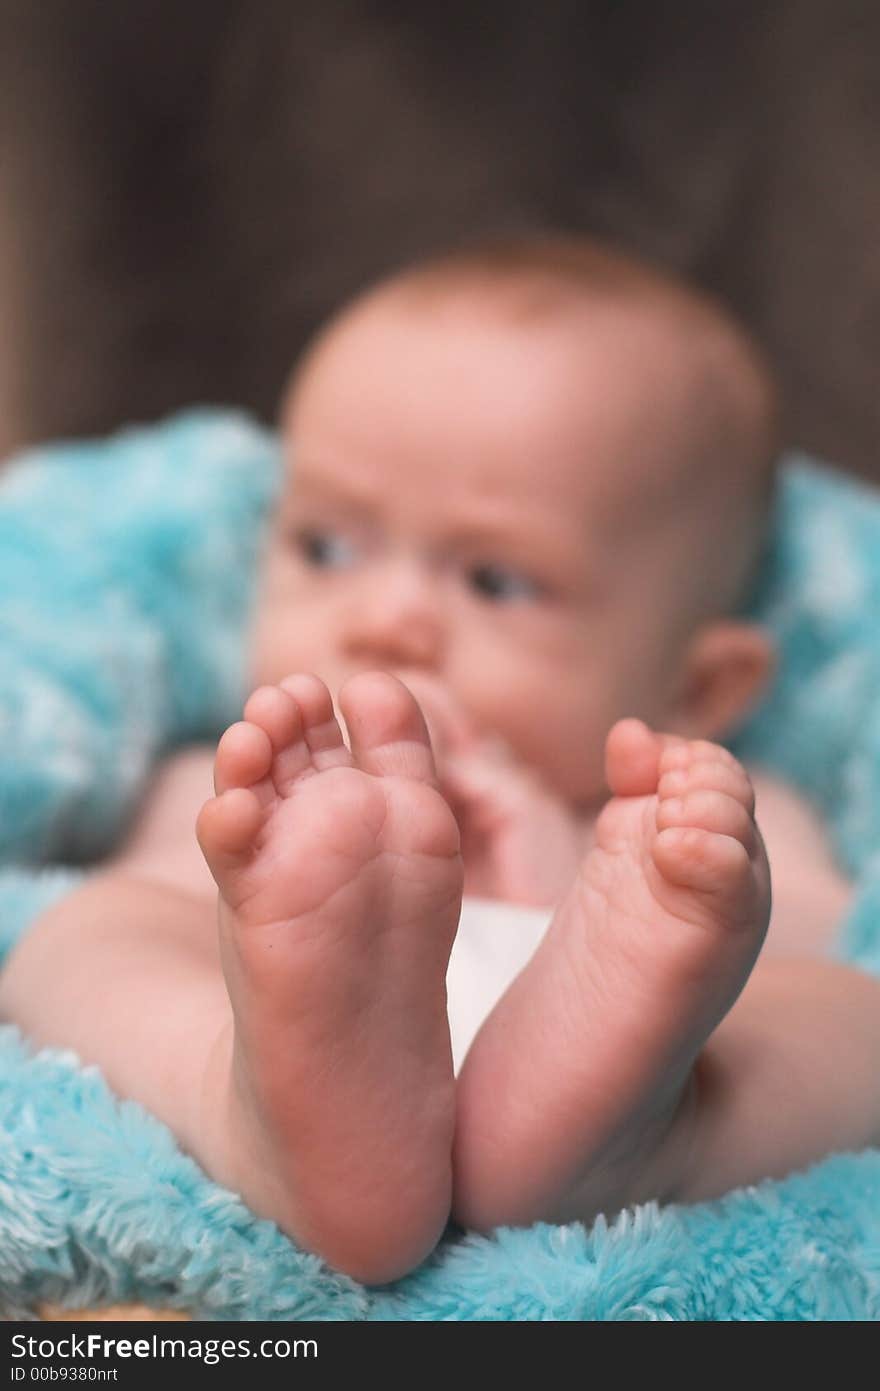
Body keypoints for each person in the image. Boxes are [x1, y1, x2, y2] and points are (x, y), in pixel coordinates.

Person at [0, 237, 869, 1287]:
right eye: (327, 548)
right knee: (87, 932)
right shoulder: (235, 777)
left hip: (633, 1057)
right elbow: (137, 905)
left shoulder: (685, 813)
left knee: (849, 1011)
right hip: (284, 1045)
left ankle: (644, 1130)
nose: (385, 617)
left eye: (493, 580)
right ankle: (245, 1108)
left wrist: (582, 884)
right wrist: (261, 893)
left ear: (700, 686)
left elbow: (833, 935)